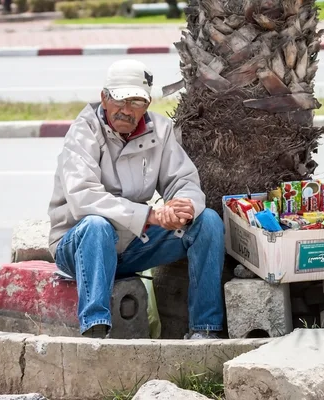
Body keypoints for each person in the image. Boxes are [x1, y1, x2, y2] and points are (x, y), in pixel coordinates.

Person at [47, 59, 225, 340]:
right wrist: (150, 215)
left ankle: (205, 330)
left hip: (132, 246)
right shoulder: (83, 132)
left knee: (208, 222)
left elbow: (183, 181)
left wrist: (182, 207)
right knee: (97, 225)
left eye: (136, 102)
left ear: (147, 104)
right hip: (80, 246)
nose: (126, 110)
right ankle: (96, 331)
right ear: (104, 98)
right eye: (119, 99)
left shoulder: (161, 130)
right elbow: (84, 198)